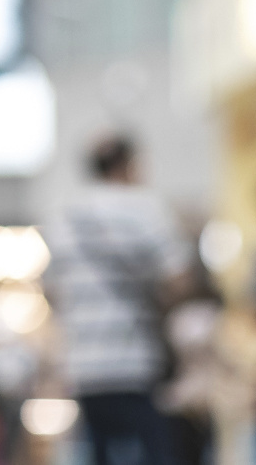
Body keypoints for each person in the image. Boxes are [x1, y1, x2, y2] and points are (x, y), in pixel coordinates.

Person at [43, 133, 193, 465]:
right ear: (129, 165)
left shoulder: (63, 219)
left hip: (83, 366)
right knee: (156, 451)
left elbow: (50, 291)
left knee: (100, 452)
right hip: (135, 359)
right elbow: (180, 280)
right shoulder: (144, 208)